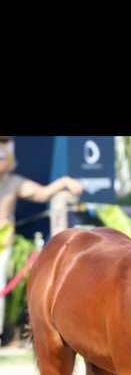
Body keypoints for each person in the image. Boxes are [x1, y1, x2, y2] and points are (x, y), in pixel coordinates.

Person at [0, 137, 83, 345]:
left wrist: (64, 182)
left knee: (0, 286)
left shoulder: (14, 182)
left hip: (2, 241)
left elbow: (42, 194)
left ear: (7, 159)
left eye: (1, 156)